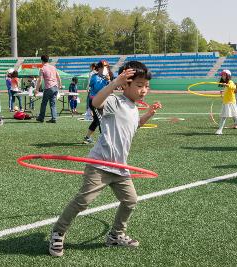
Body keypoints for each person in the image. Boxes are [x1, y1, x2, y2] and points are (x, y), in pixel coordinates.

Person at [49, 61, 162, 257]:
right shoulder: (114, 102)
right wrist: (114, 83)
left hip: (120, 166)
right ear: (125, 84)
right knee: (83, 200)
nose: (144, 90)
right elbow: (95, 102)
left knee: (130, 200)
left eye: (147, 86)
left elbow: (134, 127)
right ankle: (58, 232)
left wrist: (149, 114)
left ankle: (116, 235)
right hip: (101, 164)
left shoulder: (134, 108)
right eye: (139, 85)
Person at [83, 60, 112, 144]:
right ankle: (104, 140)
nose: (106, 69)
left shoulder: (104, 77)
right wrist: (106, 81)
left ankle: (87, 137)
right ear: (99, 68)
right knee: (100, 120)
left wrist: (109, 81)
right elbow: (97, 88)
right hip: (94, 101)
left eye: (107, 67)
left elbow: (109, 88)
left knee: (96, 120)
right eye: (104, 67)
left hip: (101, 101)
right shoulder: (95, 77)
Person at [215, 69, 237, 135]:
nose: (222, 76)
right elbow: (227, 92)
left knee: (236, 117)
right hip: (225, 103)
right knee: (223, 117)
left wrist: (227, 85)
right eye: (222, 75)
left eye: (224, 75)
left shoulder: (230, 82)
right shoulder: (225, 84)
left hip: (231, 103)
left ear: (228, 75)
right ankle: (220, 130)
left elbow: (233, 87)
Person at [35, 55, 62, 123]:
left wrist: (36, 89)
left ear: (42, 60)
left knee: (44, 103)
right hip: (55, 87)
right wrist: (59, 85)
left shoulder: (42, 69)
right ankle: (54, 118)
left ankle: (41, 117)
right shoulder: (53, 67)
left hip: (48, 87)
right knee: (53, 103)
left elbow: (40, 80)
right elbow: (58, 77)